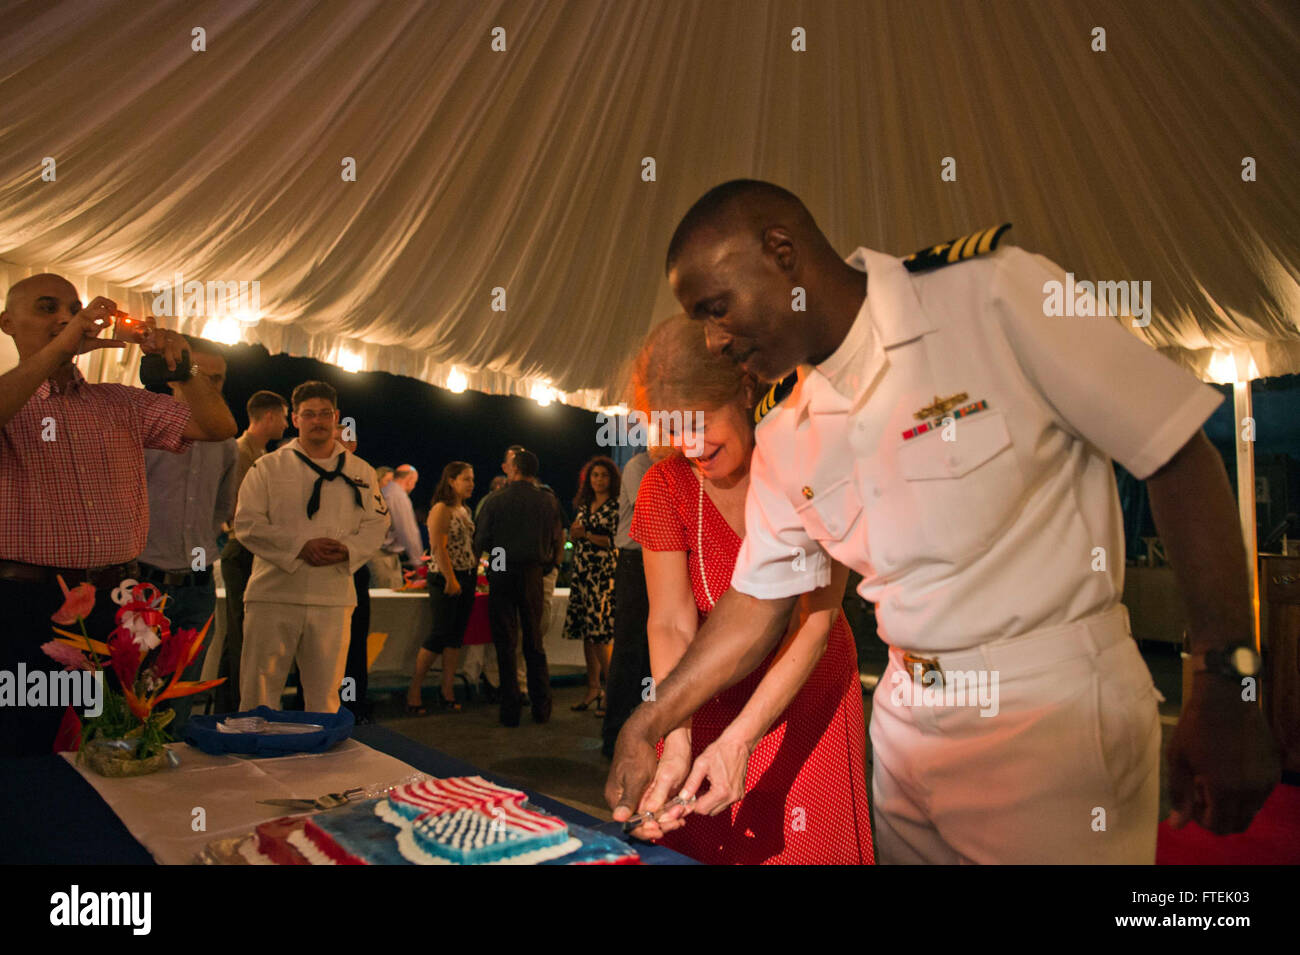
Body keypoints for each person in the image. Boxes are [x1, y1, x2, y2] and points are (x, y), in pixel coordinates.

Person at [607, 180, 1280, 863]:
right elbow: (757, 599)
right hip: (904, 730)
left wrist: (1227, 676)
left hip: (1049, 719)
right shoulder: (786, 430)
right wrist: (653, 718)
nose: (715, 340)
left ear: (781, 252)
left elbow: (1173, 451)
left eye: (716, 309)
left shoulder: (991, 297)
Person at [619, 314, 873, 864]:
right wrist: (676, 730)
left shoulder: (804, 457)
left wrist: (742, 739)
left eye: (699, 423)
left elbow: (815, 621)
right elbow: (669, 622)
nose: (688, 447)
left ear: (744, 386)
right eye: (671, 430)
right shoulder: (665, 487)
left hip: (806, 686)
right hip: (707, 687)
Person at [0, 275, 236, 756]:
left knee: (121, 743)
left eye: (73, 308)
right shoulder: (12, 401)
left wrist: (182, 367)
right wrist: (61, 346)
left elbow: (219, 426)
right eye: (48, 308)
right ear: (7, 324)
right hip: (27, 604)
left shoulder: (120, 401)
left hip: (120, 602)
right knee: (30, 749)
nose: (66, 318)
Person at [234, 381, 389, 713]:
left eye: (324, 414)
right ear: (294, 419)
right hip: (273, 594)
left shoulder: (360, 471)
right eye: (309, 414)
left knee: (326, 695)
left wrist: (348, 548)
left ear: (337, 418)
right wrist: (299, 546)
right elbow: (246, 524)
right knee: (258, 690)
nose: (317, 421)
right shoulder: (268, 467)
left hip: (332, 596)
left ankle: (320, 761)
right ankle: (254, 758)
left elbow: (378, 523)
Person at [138, 336, 239, 731]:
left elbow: (219, 512)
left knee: (177, 698)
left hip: (197, 590)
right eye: (200, 374)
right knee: (126, 694)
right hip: (141, 582)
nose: (211, 386)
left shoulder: (225, 443)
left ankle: (168, 784)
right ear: (175, 374)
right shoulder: (143, 429)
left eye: (219, 379)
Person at [473, 449, 563, 726]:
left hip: (502, 569)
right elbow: (556, 538)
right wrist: (545, 566)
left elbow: (482, 540)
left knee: (506, 642)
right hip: (533, 572)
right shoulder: (547, 501)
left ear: (514, 469)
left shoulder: (495, 500)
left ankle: (510, 708)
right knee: (534, 641)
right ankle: (541, 706)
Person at [216, 390, 288, 713]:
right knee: (241, 635)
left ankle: (231, 705)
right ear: (269, 417)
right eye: (285, 416)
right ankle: (233, 709)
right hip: (242, 550)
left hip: (251, 551)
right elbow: (234, 507)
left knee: (244, 634)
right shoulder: (241, 451)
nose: (287, 423)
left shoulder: (259, 453)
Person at [407, 462, 477, 714]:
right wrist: (451, 578)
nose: (471, 484)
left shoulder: (464, 509)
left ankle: (446, 689)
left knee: (455, 637)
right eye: (466, 479)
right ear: (451, 480)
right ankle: (415, 689)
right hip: (446, 578)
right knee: (439, 634)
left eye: (472, 479)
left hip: (466, 576)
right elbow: (438, 546)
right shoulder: (441, 508)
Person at [601, 449, 652, 756]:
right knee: (629, 648)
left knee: (654, 651)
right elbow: (650, 509)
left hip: (661, 559)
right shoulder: (639, 465)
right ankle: (615, 736)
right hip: (636, 562)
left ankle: (646, 735)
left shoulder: (680, 467)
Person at [564, 456, 620, 714]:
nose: (599, 480)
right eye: (595, 475)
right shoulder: (585, 504)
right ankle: (592, 689)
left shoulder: (617, 505)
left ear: (612, 479)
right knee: (587, 633)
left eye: (604, 475)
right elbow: (576, 535)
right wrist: (577, 537)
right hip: (583, 572)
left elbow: (615, 541)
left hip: (603, 575)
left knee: (601, 634)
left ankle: (612, 692)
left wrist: (584, 534)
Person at [378, 464, 424, 583]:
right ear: (409, 480)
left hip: (379, 555)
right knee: (388, 599)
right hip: (383, 556)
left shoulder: (386, 491)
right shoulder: (398, 496)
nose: (414, 486)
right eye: (415, 482)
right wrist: (418, 564)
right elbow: (408, 532)